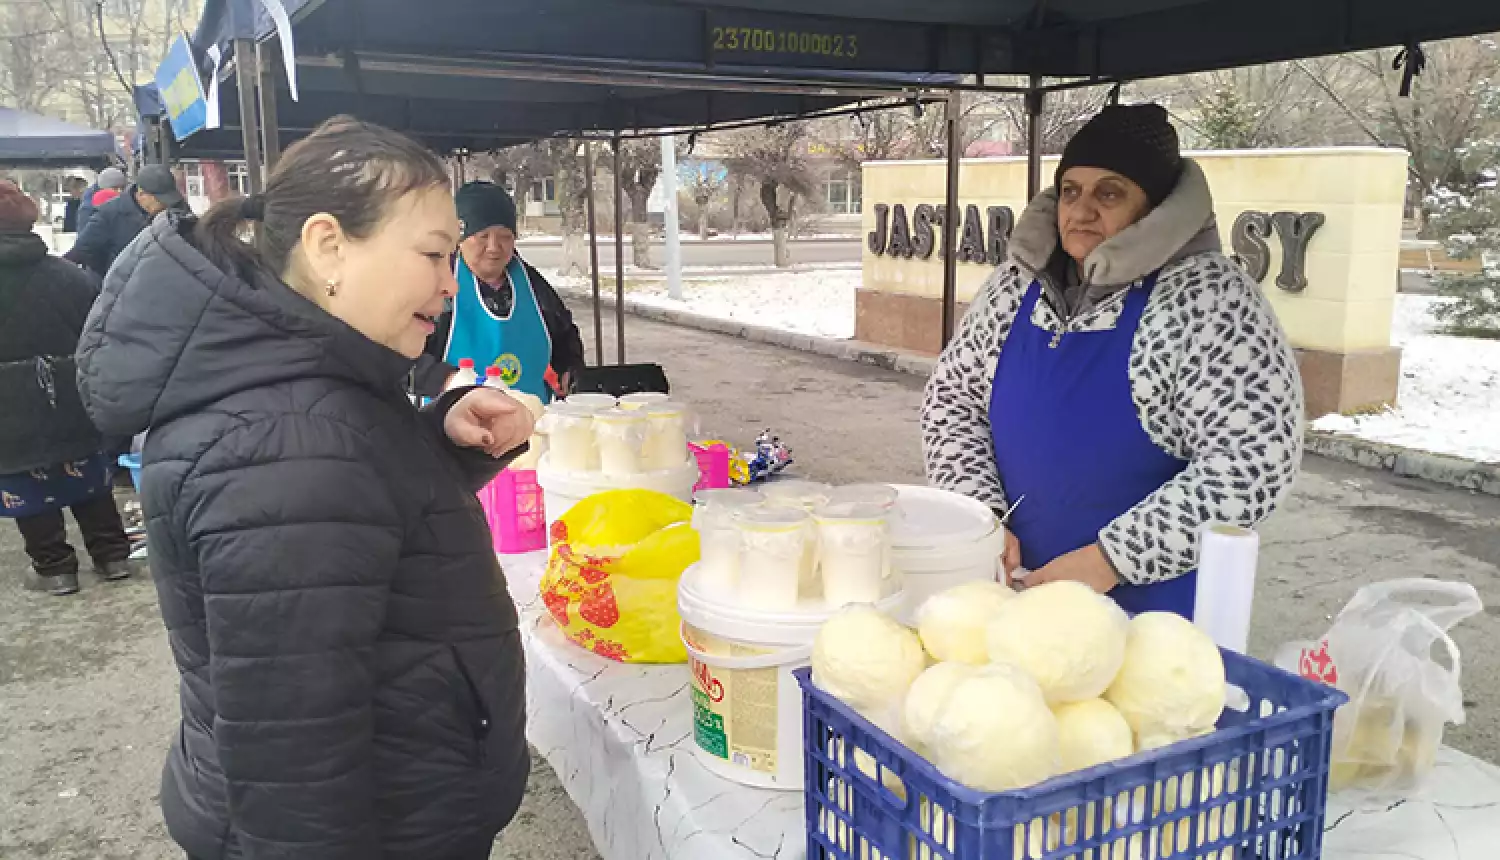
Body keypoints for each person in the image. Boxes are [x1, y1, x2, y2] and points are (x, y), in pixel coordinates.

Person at [75, 117, 535, 859]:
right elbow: (294, 750)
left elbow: (361, 516)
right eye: (432, 255)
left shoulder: (308, 379)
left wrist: (440, 435)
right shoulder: (287, 442)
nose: (451, 284)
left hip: (401, 792)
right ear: (328, 246)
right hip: (385, 826)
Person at [921, 104, 1304, 618]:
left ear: (1155, 207)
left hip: (1148, 618)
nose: (1080, 212)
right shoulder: (1016, 286)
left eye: (1109, 192)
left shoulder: (1209, 299)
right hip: (1007, 595)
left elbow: (1250, 462)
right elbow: (953, 402)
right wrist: (981, 519)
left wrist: (1110, 560)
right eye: (1071, 191)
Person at [0, 181, 135, 595]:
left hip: (9, 404)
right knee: (87, 470)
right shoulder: (70, 276)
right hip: (72, 393)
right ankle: (112, 556)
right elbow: (103, 332)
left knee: (26, 476)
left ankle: (55, 567)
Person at [412, 180, 585, 401]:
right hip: (452, 424)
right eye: (482, 236)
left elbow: (564, 333)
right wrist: (444, 379)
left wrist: (570, 365)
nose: (494, 247)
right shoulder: (436, 288)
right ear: (459, 239)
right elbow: (403, 360)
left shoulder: (531, 284)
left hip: (529, 421)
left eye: (505, 236)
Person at [66, 164, 187, 277]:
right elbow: (85, 247)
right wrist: (113, 270)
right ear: (141, 195)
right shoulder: (110, 213)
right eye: (160, 200)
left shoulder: (177, 207)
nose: (165, 205)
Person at [76, 166, 126, 235]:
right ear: (103, 188)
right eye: (115, 188)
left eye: (122, 188)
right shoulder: (88, 208)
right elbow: (84, 236)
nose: (119, 192)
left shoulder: (123, 203)